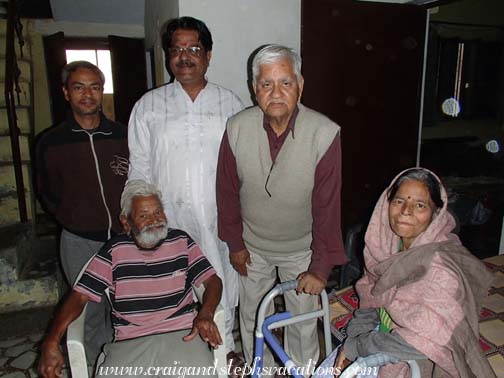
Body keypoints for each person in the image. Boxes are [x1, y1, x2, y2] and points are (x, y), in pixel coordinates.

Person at [216, 44, 347, 371]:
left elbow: (328, 206)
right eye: (266, 84)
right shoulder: (236, 128)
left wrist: (320, 267)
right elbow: (227, 192)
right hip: (252, 247)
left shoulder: (324, 133)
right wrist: (235, 244)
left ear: (300, 86)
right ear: (254, 89)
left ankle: (301, 372)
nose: (276, 93)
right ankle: (260, 370)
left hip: (302, 248)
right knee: (251, 318)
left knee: (302, 323)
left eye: (286, 83)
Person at [127, 16, 244, 368]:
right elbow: (139, 168)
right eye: (176, 49)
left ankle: (226, 352)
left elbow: (243, 168)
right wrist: (134, 214)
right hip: (171, 222)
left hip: (218, 219)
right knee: (173, 289)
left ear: (208, 55)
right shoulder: (148, 106)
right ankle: (184, 358)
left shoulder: (230, 104)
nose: (185, 56)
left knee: (223, 283)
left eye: (194, 48)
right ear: (167, 56)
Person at [38, 180, 223, 378]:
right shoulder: (114, 250)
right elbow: (79, 296)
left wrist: (206, 313)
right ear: (126, 222)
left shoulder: (181, 241)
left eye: (158, 212)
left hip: (182, 335)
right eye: (144, 215)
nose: (154, 220)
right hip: (130, 342)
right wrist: (51, 341)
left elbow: (212, 281)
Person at [333, 168, 495, 377]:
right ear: (386, 204)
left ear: (436, 213)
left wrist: (358, 347)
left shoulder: (441, 270)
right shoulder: (386, 248)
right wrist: (353, 339)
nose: (406, 211)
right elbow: (371, 301)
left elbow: (422, 342)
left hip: (418, 360)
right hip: (380, 338)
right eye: (399, 201)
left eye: (419, 205)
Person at [36, 61, 128, 364]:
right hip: (79, 242)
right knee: (88, 311)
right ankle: (94, 365)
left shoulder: (122, 135)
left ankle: (122, 363)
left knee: (125, 307)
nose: (87, 94)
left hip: (123, 240)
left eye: (94, 87)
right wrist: (72, 218)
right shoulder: (51, 142)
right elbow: (46, 191)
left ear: (102, 91)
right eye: (78, 87)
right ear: (66, 92)